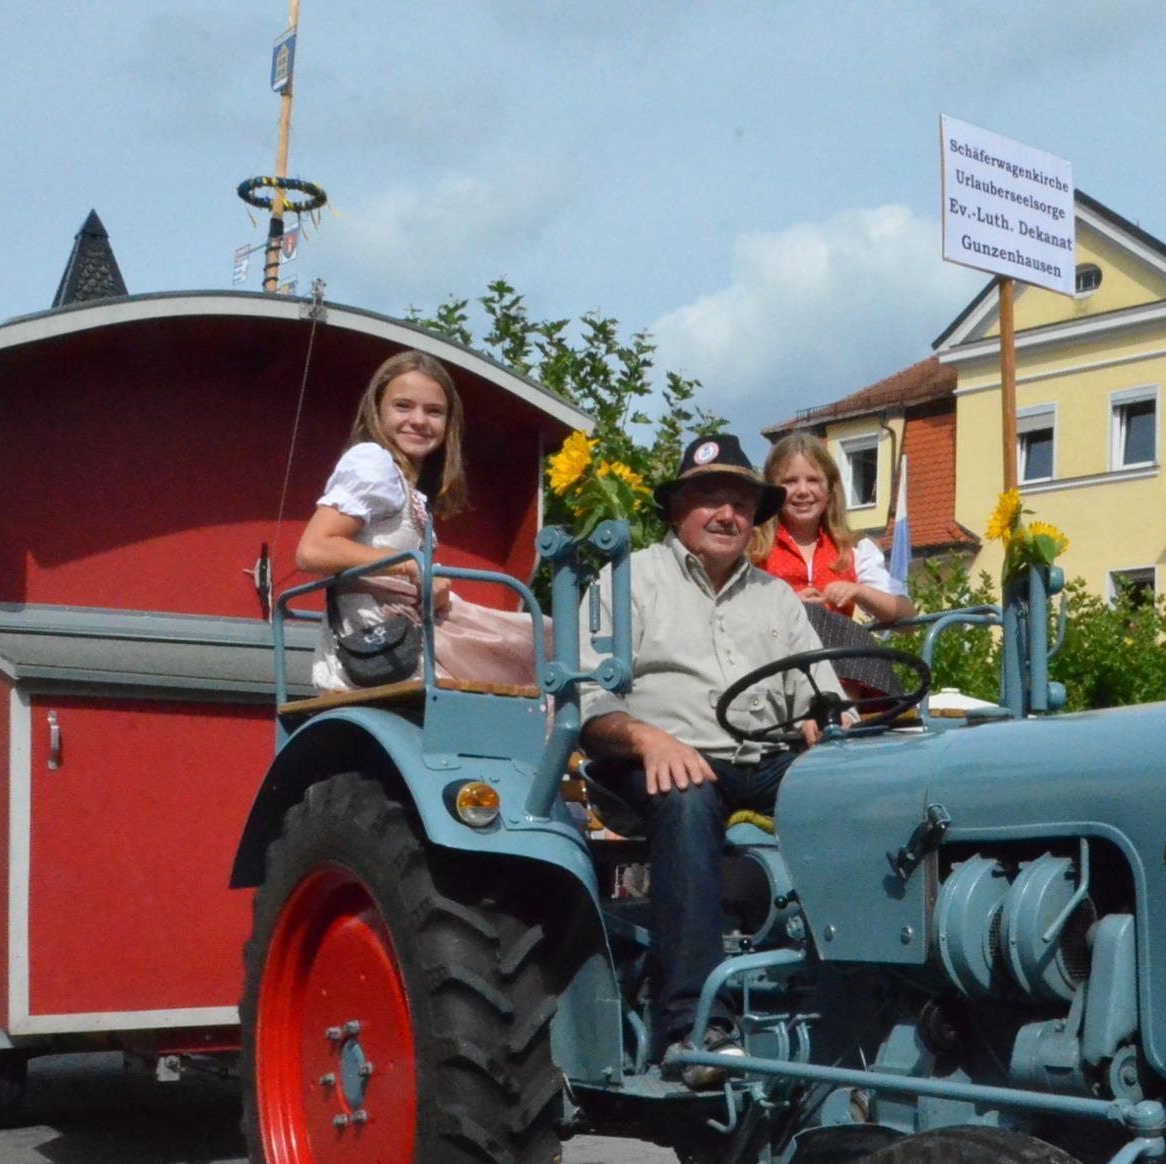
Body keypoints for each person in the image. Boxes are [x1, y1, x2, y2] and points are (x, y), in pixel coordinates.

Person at [579, 434, 841, 1082]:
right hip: (657, 759)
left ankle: (858, 996)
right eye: (708, 500)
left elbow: (822, 692)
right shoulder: (630, 578)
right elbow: (583, 699)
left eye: (741, 503)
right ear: (677, 511)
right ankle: (696, 1026)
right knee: (689, 794)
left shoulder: (775, 597)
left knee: (857, 793)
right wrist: (648, 738)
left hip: (761, 757)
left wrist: (821, 721)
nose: (727, 514)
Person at [296, 352, 533, 691]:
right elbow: (314, 550)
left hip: (407, 632)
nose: (419, 420)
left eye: (434, 411)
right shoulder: (371, 462)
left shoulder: (409, 487)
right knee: (533, 657)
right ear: (377, 411)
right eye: (403, 406)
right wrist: (409, 566)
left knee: (542, 641)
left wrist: (428, 589)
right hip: (378, 646)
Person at [751, 435, 914, 627]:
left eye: (813, 480)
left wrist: (858, 592)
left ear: (829, 490)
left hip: (834, 653)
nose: (803, 490)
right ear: (773, 490)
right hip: (775, 653)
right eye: (790, 481)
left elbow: (908, 619)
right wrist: (787, 604)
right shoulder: (753, 546)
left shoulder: (853, 549)